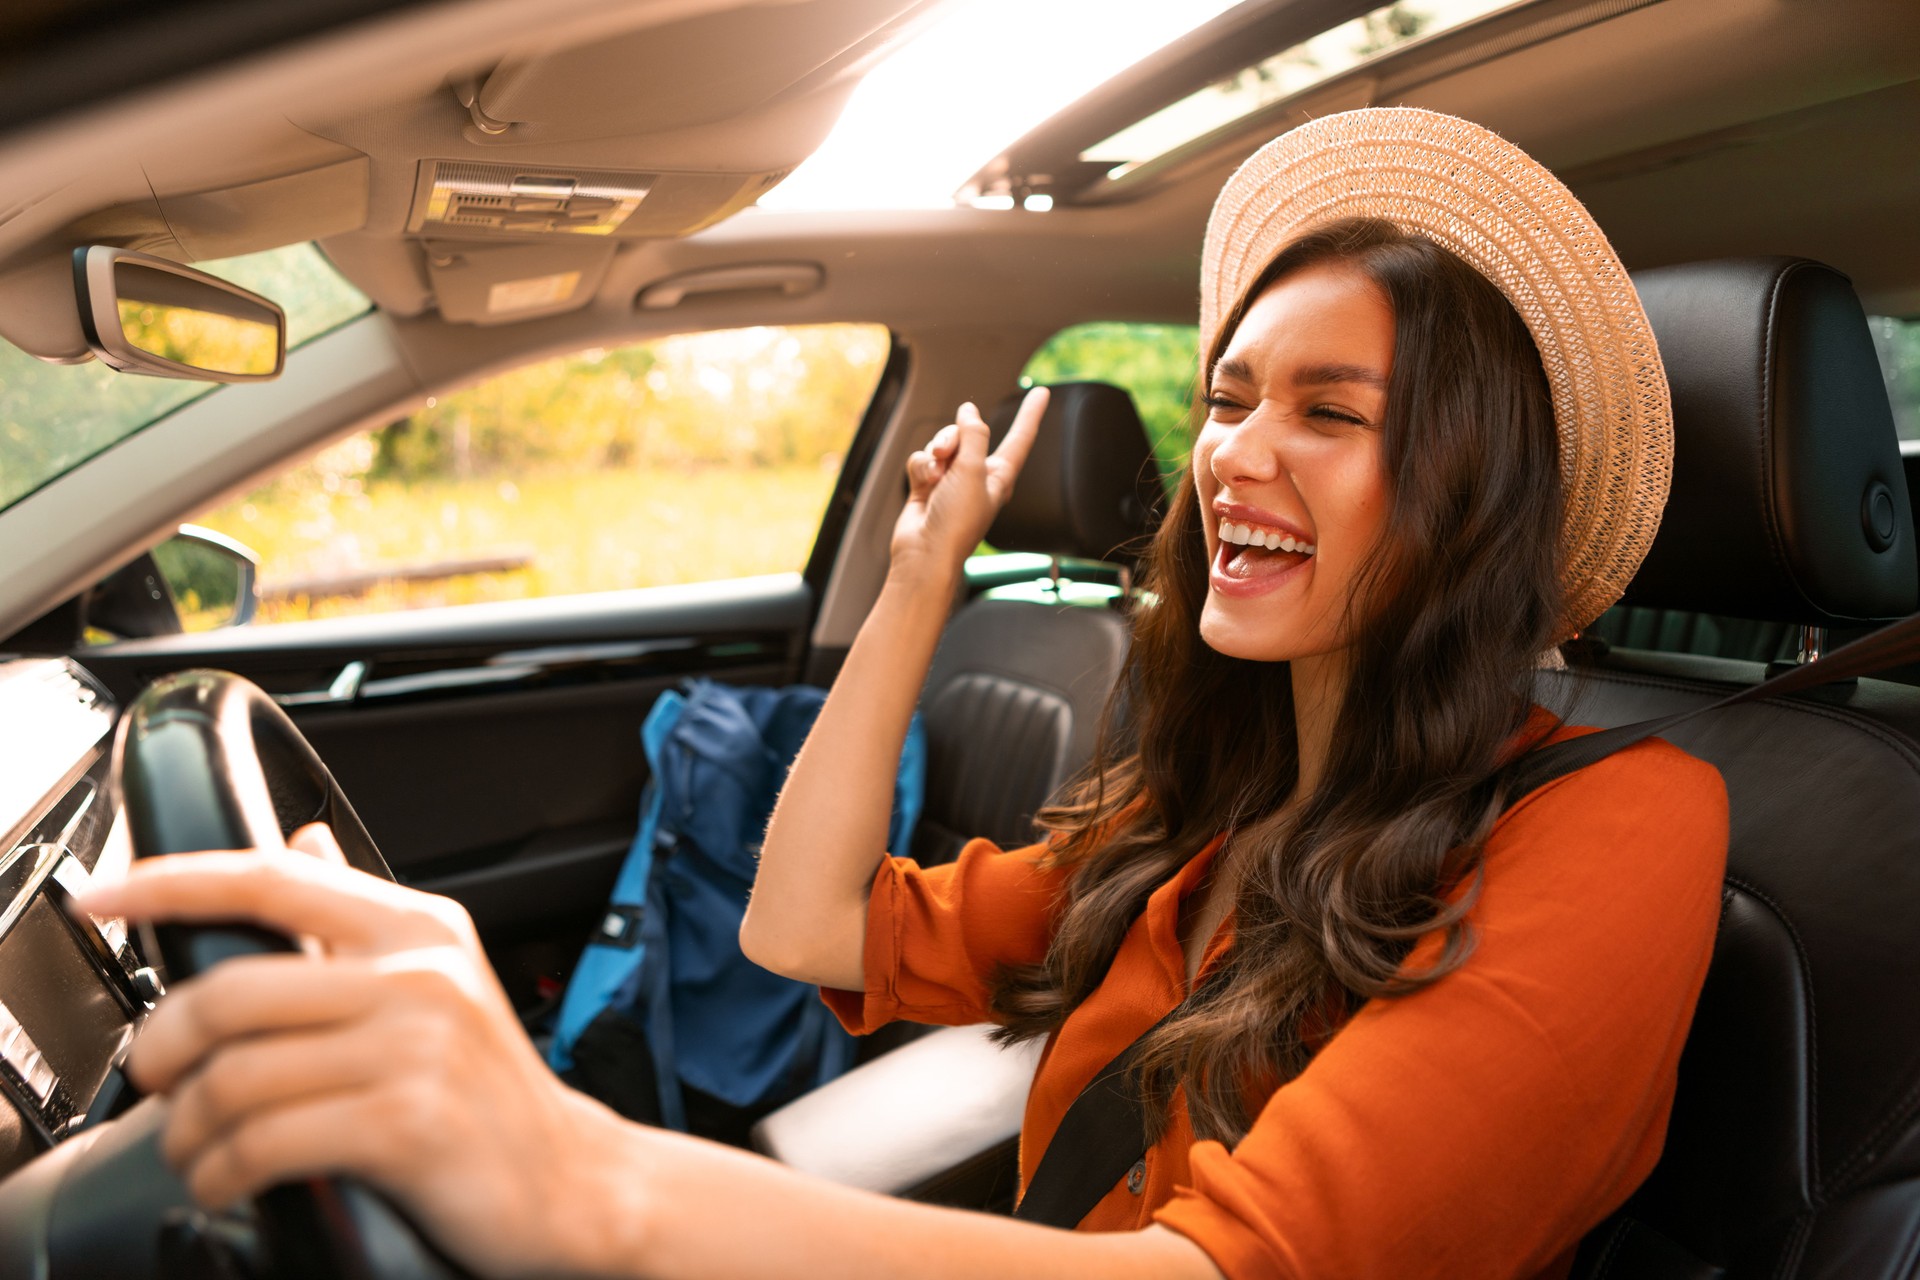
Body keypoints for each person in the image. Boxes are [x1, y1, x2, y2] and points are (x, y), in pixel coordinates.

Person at [80, 107, 1727, 1280]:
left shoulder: (1631, 823)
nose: (1235, 450)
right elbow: (802, 929)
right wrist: (922, 574)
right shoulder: (1200, 820)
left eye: (1329, 411)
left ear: (1463, 501)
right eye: (1228, 396)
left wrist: (575, 1171)